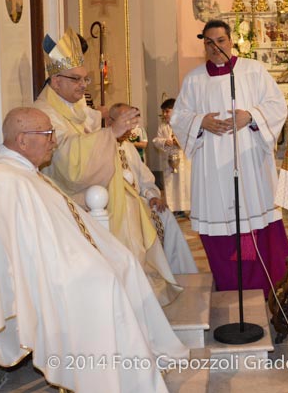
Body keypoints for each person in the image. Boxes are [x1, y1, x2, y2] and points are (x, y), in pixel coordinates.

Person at [0, 107, 188, 393]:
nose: (54, 142)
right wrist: (80, 265)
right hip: (39, 277)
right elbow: (18, 253)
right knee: (104, 282)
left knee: (126, 263)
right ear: (22, 140)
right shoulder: (2, 182)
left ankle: (136, 360)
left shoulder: (23, 173)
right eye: (47, 135)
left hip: (55, 264)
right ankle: (107, 379)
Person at [33, 28, 181, 305]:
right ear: (55, 80)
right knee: (127, 209)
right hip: (69, 198)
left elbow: (91, 118)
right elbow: (67, 161)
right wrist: (111, 133)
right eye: (76, 79)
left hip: (90, 191)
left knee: (132, 204)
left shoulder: (70, 105)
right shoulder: (46, 113)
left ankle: (136, 291)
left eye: (85, 78)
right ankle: (127, 296)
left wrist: (113, 116)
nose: (83, 85)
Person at [171, 19, 288, 297]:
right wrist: (201, 122)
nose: (215, 47)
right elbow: (179, 118)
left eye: (220, 41)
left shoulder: (252, 71)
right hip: (212, 173)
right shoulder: (194, 79)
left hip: (249, 168)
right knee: (223, 236)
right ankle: (230, 288)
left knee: (249, 228)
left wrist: (250, 116)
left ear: (231, 40)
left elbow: (276, 105)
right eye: (209, 42)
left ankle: (258, 288)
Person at [107, 102, 197, 275]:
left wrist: (152, 196)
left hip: (138, 201)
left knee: (165, 217)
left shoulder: (129, 148)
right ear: (112, 121)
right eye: (125, 123)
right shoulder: (101, 145)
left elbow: (144, 179)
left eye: (132, 124)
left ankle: (179, 272)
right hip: (116, 206)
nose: (129, 129)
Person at [152, 98, 191, 216]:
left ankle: (185, 208)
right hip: (169, 160)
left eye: (167, 111)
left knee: (183, 183)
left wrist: (177, 141)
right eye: (163, 112)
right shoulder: (163, 127)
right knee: (171, 184)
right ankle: (173, 207)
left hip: (183, 160)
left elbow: (190, 139)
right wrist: (165, 142)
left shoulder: (183, 124)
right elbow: (156, 140)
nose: (164, 114)